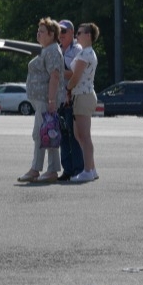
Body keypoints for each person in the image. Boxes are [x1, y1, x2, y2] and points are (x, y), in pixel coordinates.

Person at [17, 17, 65, 183]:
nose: (38, 33)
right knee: (48, 133)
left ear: (51, 34)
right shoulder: (47, 49)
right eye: (38, 30)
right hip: (42, 100)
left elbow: (55, 75)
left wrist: (51, 100)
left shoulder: (52, 50)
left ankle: (36, 169)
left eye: (42, 31)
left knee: (40, 134)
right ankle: (51, 170)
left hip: (46, 100)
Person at [66, 23, 100, 182]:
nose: (76, 36)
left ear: (88, 35)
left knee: (84, 135)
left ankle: (87, 170)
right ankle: (91, 168)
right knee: (79, 134)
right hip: (81, 95)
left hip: (83, 95)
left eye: (79, 33)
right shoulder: (86, 53)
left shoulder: (86, 54)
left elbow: (76, 76)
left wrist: (67, 88)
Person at [57, 19, 84, 181]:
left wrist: (58, 72)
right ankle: (67, 169)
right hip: (60, 98)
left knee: (74, 135)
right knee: (62, 135)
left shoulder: (77, 49)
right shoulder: (57, 49)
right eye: (59, 31)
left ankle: (78, 169)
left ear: (72, 33)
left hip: (73, 97)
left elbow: (76, 74)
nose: (61, 35)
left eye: (64, 31)